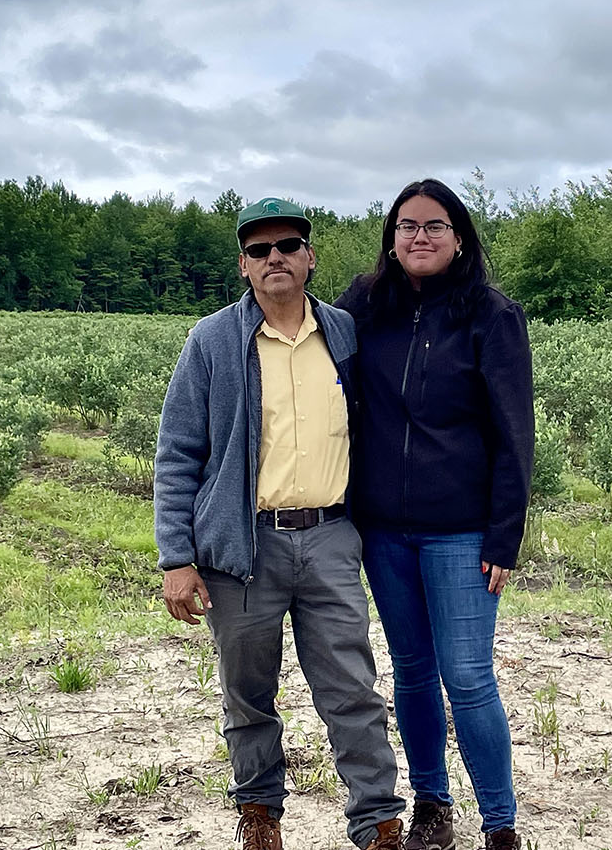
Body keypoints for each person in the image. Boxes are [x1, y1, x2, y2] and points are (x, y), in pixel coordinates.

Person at [155, 196, 406, 850]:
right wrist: (176, 558)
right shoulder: (210, 341)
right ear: (243, 264)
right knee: (247, 695)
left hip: (328, 539)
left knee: (353, 690)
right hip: (242, 548)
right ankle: (259, 814)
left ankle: (378, 821)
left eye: (287, 246)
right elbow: (177, 452)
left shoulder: (345, 334)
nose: (275, 259)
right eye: (260, 250)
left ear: (308, 257)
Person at [336, 179, 533, 850]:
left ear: (458, 238)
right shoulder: (365, 305)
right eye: (406, 225)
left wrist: (504, 535)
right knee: (412, 670)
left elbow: (514, 434)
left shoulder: (490, 315)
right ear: (390, 238)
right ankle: (431, 804)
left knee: (469, 677)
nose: (419, 236)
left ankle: (500, 825)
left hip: (462, 531)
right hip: (384, 530)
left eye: (434, 225)